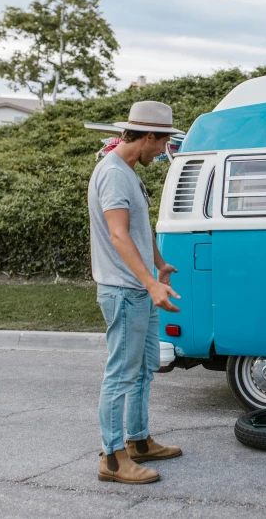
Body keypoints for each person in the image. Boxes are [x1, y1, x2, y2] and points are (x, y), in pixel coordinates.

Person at [88, 101, 186, 483]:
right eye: (162, 144)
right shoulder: (112, 173)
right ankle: (112, 459)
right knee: (121, 374)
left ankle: (139, 441)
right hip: (125, 291)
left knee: (145, 368)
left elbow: (139, 229)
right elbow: (118, 233)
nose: (163, 152)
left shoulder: (128, 171)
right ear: (147, 137)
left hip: (141, 288)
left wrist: (159, 265)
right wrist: (149, 283)